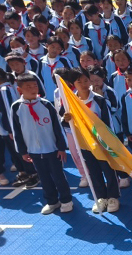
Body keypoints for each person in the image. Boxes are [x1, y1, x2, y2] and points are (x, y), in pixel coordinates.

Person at [62, 68, 120, 213]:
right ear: (72, 84)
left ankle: (113, 197)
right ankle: (100, 197)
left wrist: (109, 142)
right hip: (85, 144)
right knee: (93, 171)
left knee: (109, 169)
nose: (83, 84)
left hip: (102, 143)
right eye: (79, 82)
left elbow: (108, 123)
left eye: (85, 80)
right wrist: (66, 119)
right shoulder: (70, 102)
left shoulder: (99, 100)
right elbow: (65, 124)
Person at [13, 73, 71, 214]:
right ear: (19, 90)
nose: (33, 89)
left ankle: (66, 200)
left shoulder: (46, 105)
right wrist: (22, 151)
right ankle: (52, 201)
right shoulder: (16, 107)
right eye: (28, 87)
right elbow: (17, 130)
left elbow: (57, 127)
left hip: (52, 149)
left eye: (35, 86)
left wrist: (61, 147)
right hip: (33, 150)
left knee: (58, 177)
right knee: (44, 178)